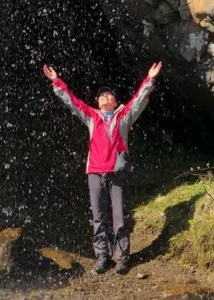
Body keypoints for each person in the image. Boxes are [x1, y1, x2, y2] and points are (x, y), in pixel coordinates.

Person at [42, 61, 162, 274]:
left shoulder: (124, 117)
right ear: (97, 103)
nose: (104, 96)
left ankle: (122, 257)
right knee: (98, 216)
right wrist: (57, 82)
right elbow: (73, 102)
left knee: (119, 215)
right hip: (95, 172)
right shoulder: (91, 116)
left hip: (117, 172)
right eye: (101, 96)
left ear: (116, 102)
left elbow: (139, 99)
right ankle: (101, 256)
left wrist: (149, 79)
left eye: (109, 95)